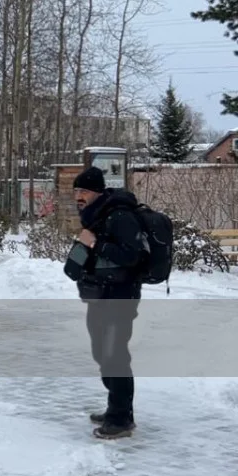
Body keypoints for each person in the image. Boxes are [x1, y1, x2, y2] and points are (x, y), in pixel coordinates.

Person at [62, 165, 147, 440]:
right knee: (102, 353)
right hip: (100, 297)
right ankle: (117, 407)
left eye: (83, 190)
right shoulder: (96, 216)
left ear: (97, 191)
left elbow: (131, 256)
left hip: (120, 297)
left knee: (115, 355)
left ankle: (121, 419)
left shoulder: (120, 216)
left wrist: (95, 244)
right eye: (76, 190)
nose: (78, 196)